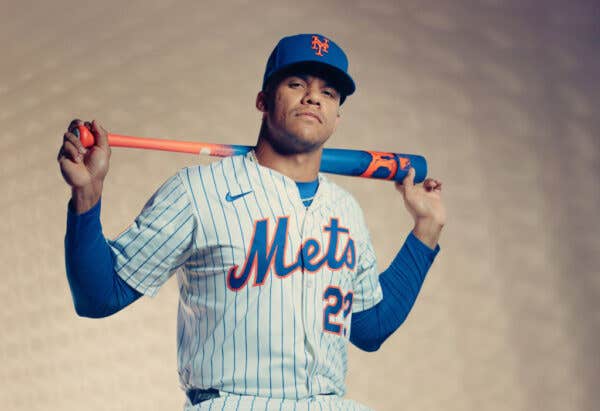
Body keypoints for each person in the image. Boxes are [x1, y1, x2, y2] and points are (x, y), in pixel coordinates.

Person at [57, 33, 445, 410]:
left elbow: (370, 327)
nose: (313, 96)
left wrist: (425, 229)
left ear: (336, 118)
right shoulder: (197, 192)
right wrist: (87, 198)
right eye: (296, 83)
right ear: (262, 100)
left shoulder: (346, 211)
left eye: (328, 92)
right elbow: (99, 296)